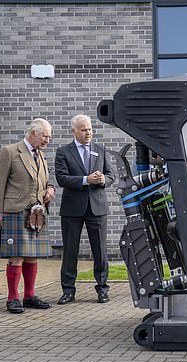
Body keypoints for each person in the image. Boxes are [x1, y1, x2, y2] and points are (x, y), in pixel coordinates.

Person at [0, 118, 56, 313]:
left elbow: (45, 180)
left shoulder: (41, 156)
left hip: (36, 213)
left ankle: (29, 296)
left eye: (49, 136)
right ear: (33, 133)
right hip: (15, 210)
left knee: (32, 257)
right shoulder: (10, 152)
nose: (47, 140)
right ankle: (13, 298)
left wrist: (51, 189)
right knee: (16, 257)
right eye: (45, 136)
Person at [55, 114, 115, 304]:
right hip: (72, 208)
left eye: (89, 129)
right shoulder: (63, 151)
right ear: (74, 131)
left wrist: (104, 180)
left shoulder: (100, 149)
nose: (88, 133)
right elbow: (61, 178)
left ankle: (102, 289)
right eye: (84, 130)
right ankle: (68, 291)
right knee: (70, 251)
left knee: (100, 251)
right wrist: (85, 180)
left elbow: (111, 174)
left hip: (97, 207)